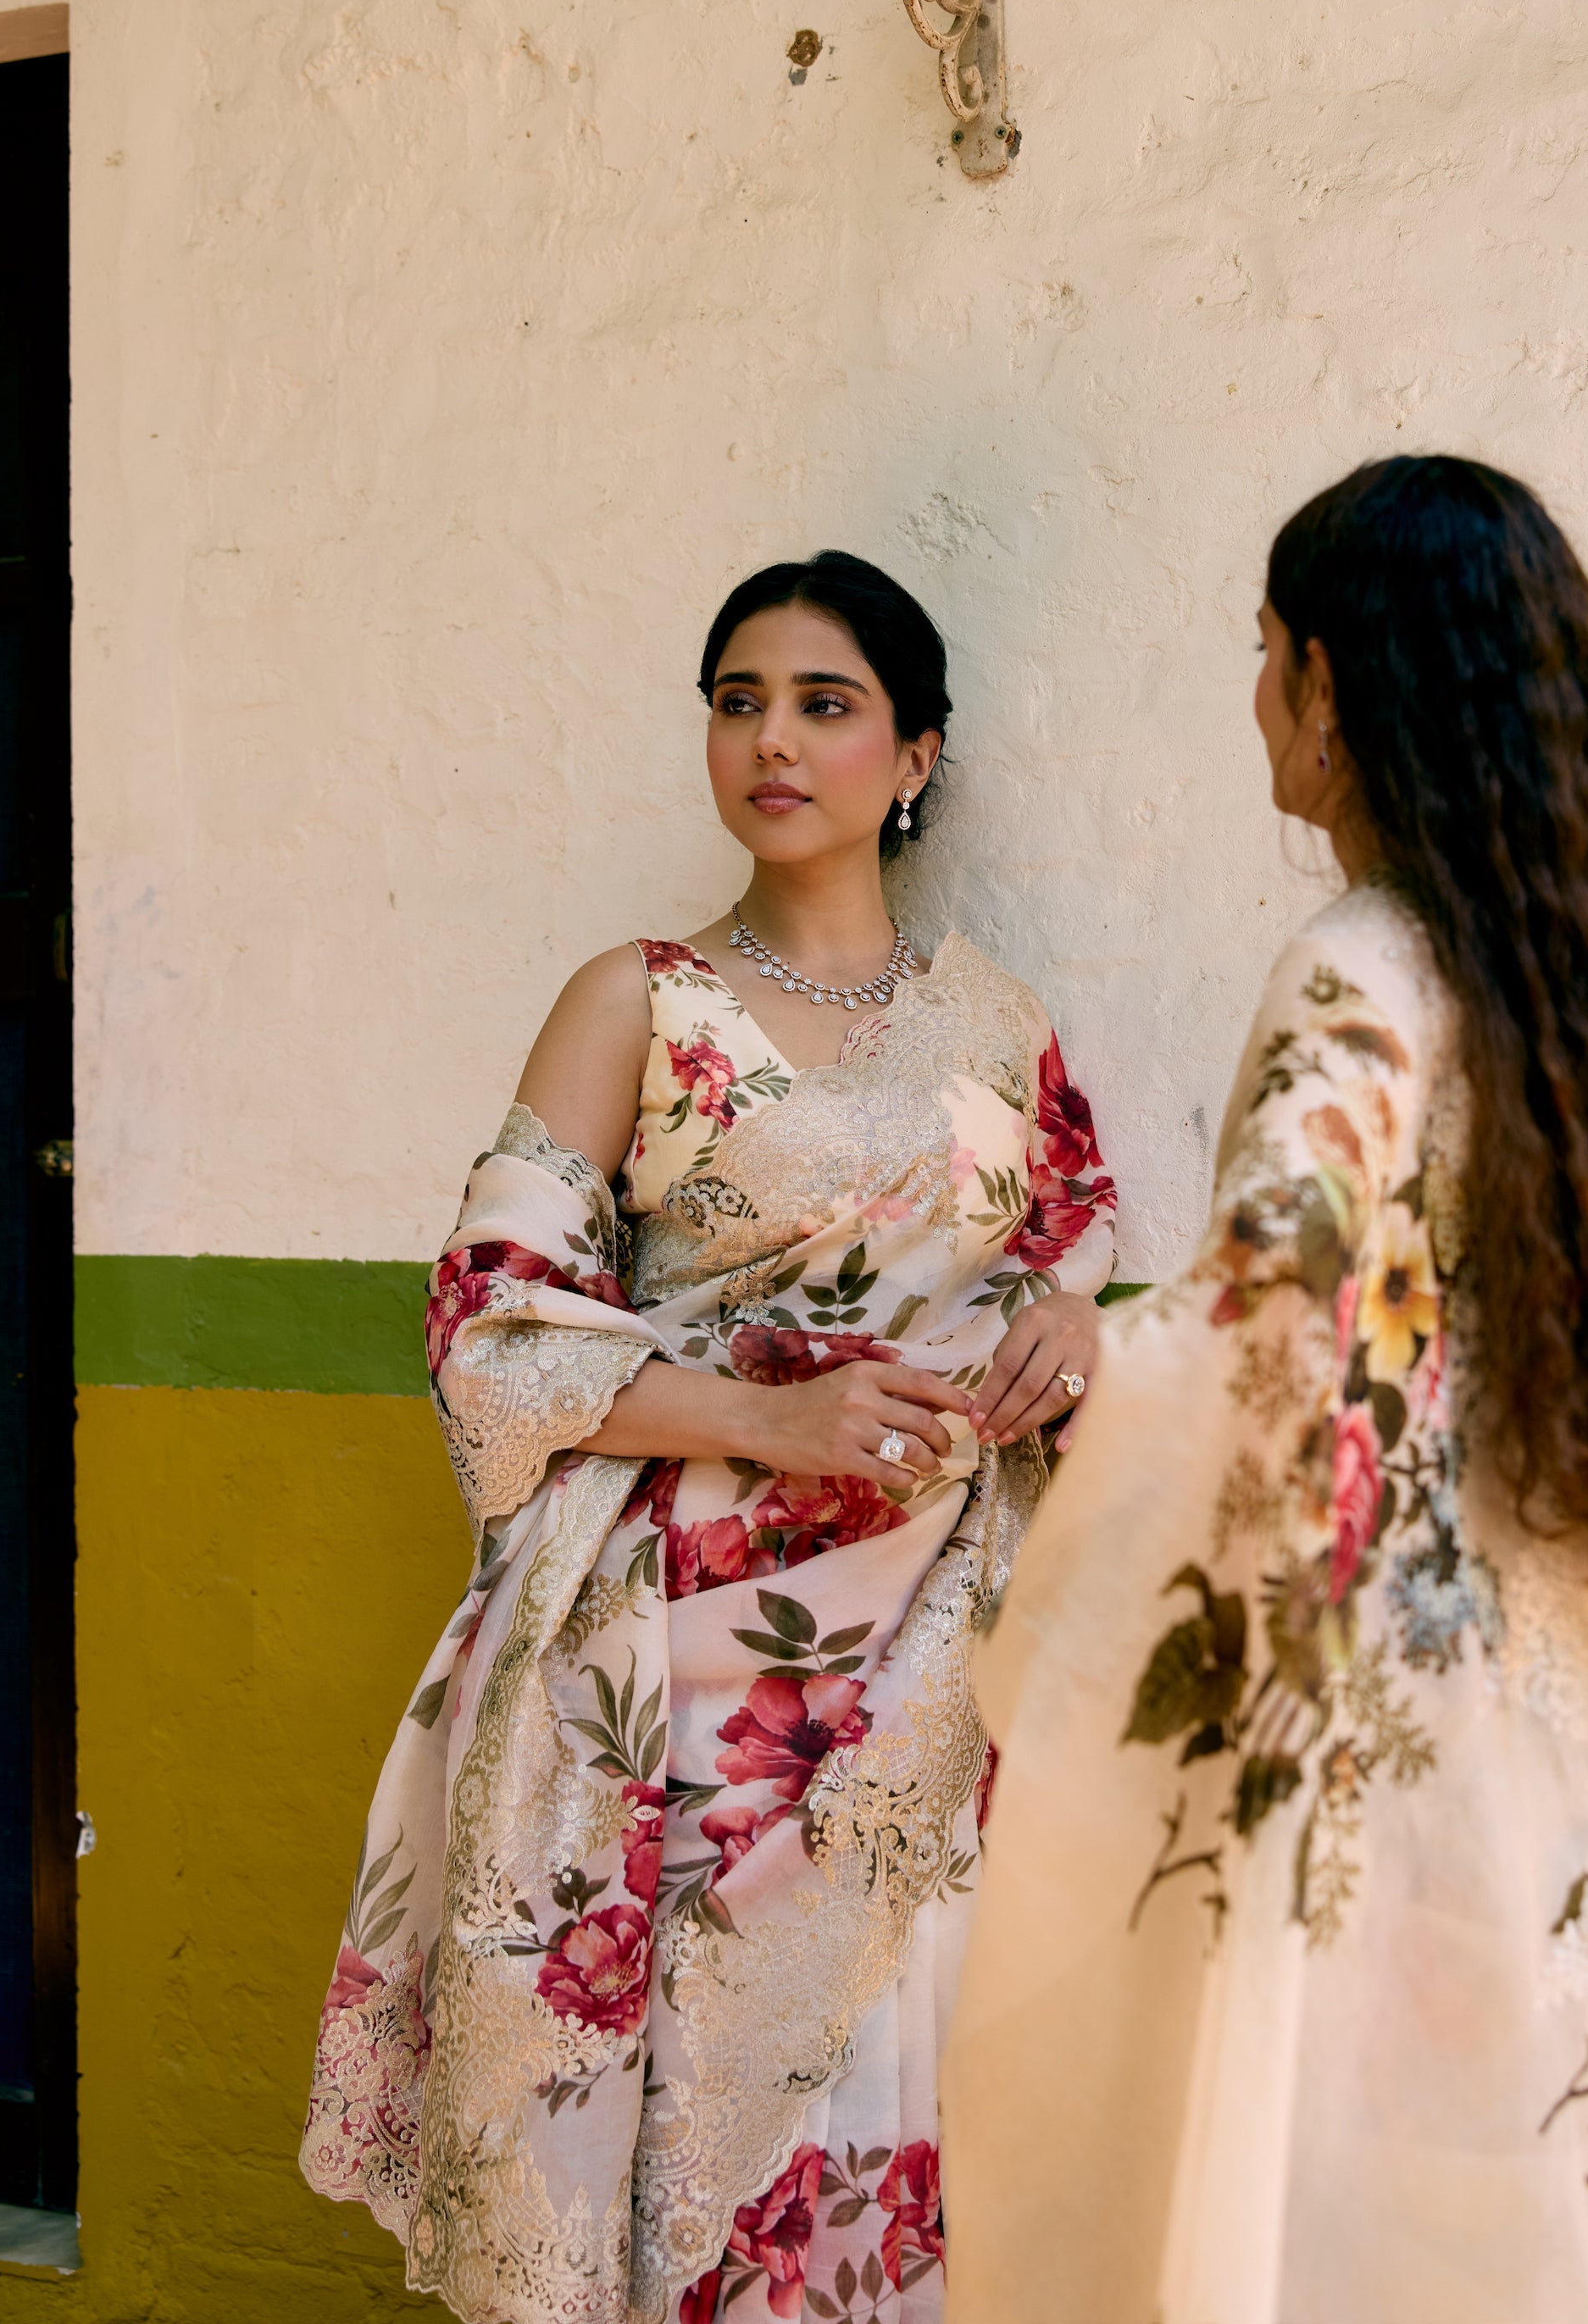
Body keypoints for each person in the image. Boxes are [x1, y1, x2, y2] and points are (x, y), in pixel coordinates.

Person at [941, 458, 1588, 2324]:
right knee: (1503, 2224)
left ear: (1332, 689)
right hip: (1551, 1727)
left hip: (1377, 1750)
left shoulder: (1355, 970)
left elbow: (1265, 1310)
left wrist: (1101, 1347)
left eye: (1266, 656)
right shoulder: (1583, 1000)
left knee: (1294, 2230)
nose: (1259, 697)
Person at [303, 551, 1117, 2324]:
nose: (771, 738)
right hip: (683, 1672)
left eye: (824, 705)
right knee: (688, 2102)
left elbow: (1070, 1239)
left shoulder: (1001, 1024)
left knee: (896, 2086)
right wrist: (771, 1410)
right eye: (737, 699)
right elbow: (487, 1323)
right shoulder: (638, 1002)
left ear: (914, 756)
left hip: (935, 1654)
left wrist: (1069, 1324)